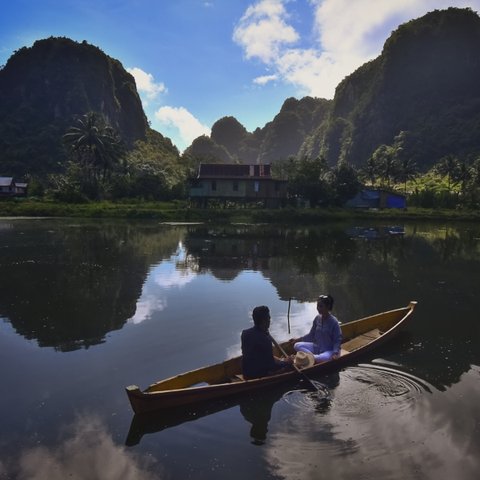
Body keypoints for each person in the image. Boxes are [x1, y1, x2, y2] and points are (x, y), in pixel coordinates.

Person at [241, 305, 293, 379]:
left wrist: (280, 360)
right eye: (269, 318)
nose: (270, 319)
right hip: (257, 375)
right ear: (264, 321)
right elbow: (272, 366)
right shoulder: (265, 340)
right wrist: (286, 362)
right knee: (288, 367)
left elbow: (259, 355)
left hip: (245, 372)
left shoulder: (245, 333)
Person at [293, 294, 342, 363]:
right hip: (316, 347)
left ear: (328, 307)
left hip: (329, 351)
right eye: (317, 306)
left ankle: (311, 358)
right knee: (297, 345)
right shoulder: (317, 318)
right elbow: (311, 335)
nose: (318, 308)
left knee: (318, 358)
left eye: (321, 306)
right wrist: (299, 339)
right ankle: (311, 357)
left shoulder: (334, 322)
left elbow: (337, 340)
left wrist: (335, 353)